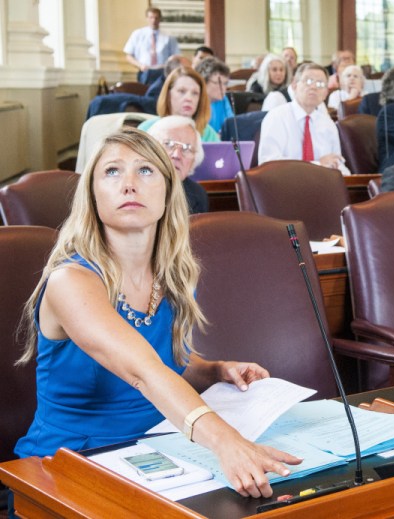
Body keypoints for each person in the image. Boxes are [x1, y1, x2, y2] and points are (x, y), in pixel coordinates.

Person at [13, 127, 301, 498]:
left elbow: (167, 361)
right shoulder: (71, 280)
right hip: (67, 464)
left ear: (168, 192)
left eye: (146, 170)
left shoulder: (175, 276)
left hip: (161, 455)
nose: (129, 184)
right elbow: (143, 371)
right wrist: (226, 441)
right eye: (112, 171)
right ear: (92, 195)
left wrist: (214, 370)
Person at [258, 63, 349, 174]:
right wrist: (318, 164)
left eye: (320, 84)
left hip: (322, 186)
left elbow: (335, 162)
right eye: (308, 81)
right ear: (295, 85)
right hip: (284, 186)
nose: (314, 87)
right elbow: (269, 163)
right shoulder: (276, 117)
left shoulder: (328, 124)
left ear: (325, 93)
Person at [138, 66, 220, 142]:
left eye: (195, 93)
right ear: (168, 95)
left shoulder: (209, 134)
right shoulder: (146, 130)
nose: (189, 98)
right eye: (181, 91)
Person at [147, 116, 209, 214]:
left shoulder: (198, 194)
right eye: (169, 144)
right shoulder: (135, 188)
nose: (177, 155)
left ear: (194, 160)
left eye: (186, 149)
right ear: (151, 149)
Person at [123, 7, 179, 85]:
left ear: (160, 19)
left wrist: (168, 66)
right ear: (147, 18)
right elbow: (128, 56)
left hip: (162, 71)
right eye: (151, 17)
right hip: (144, 71)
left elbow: (175, 56)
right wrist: (140, 65)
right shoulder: (137, 34)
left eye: (156, 18)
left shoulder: (169, 36)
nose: (154, 20)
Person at [195, 57, 234, 134]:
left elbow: (232, 128)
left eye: (225, 83)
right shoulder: (194, 102)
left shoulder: (223, 99)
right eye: (217, 83)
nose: (223, 88)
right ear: (203, 82)